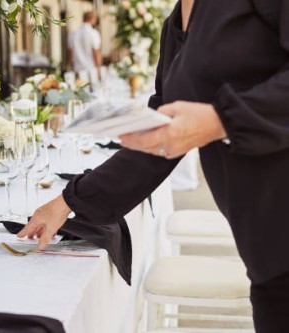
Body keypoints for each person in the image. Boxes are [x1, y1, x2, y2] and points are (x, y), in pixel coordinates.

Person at [18, 0, 289, 331]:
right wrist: (68, 201)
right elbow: (157, 141)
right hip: (265, 244)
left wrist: (220, 121)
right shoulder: (175, 24)